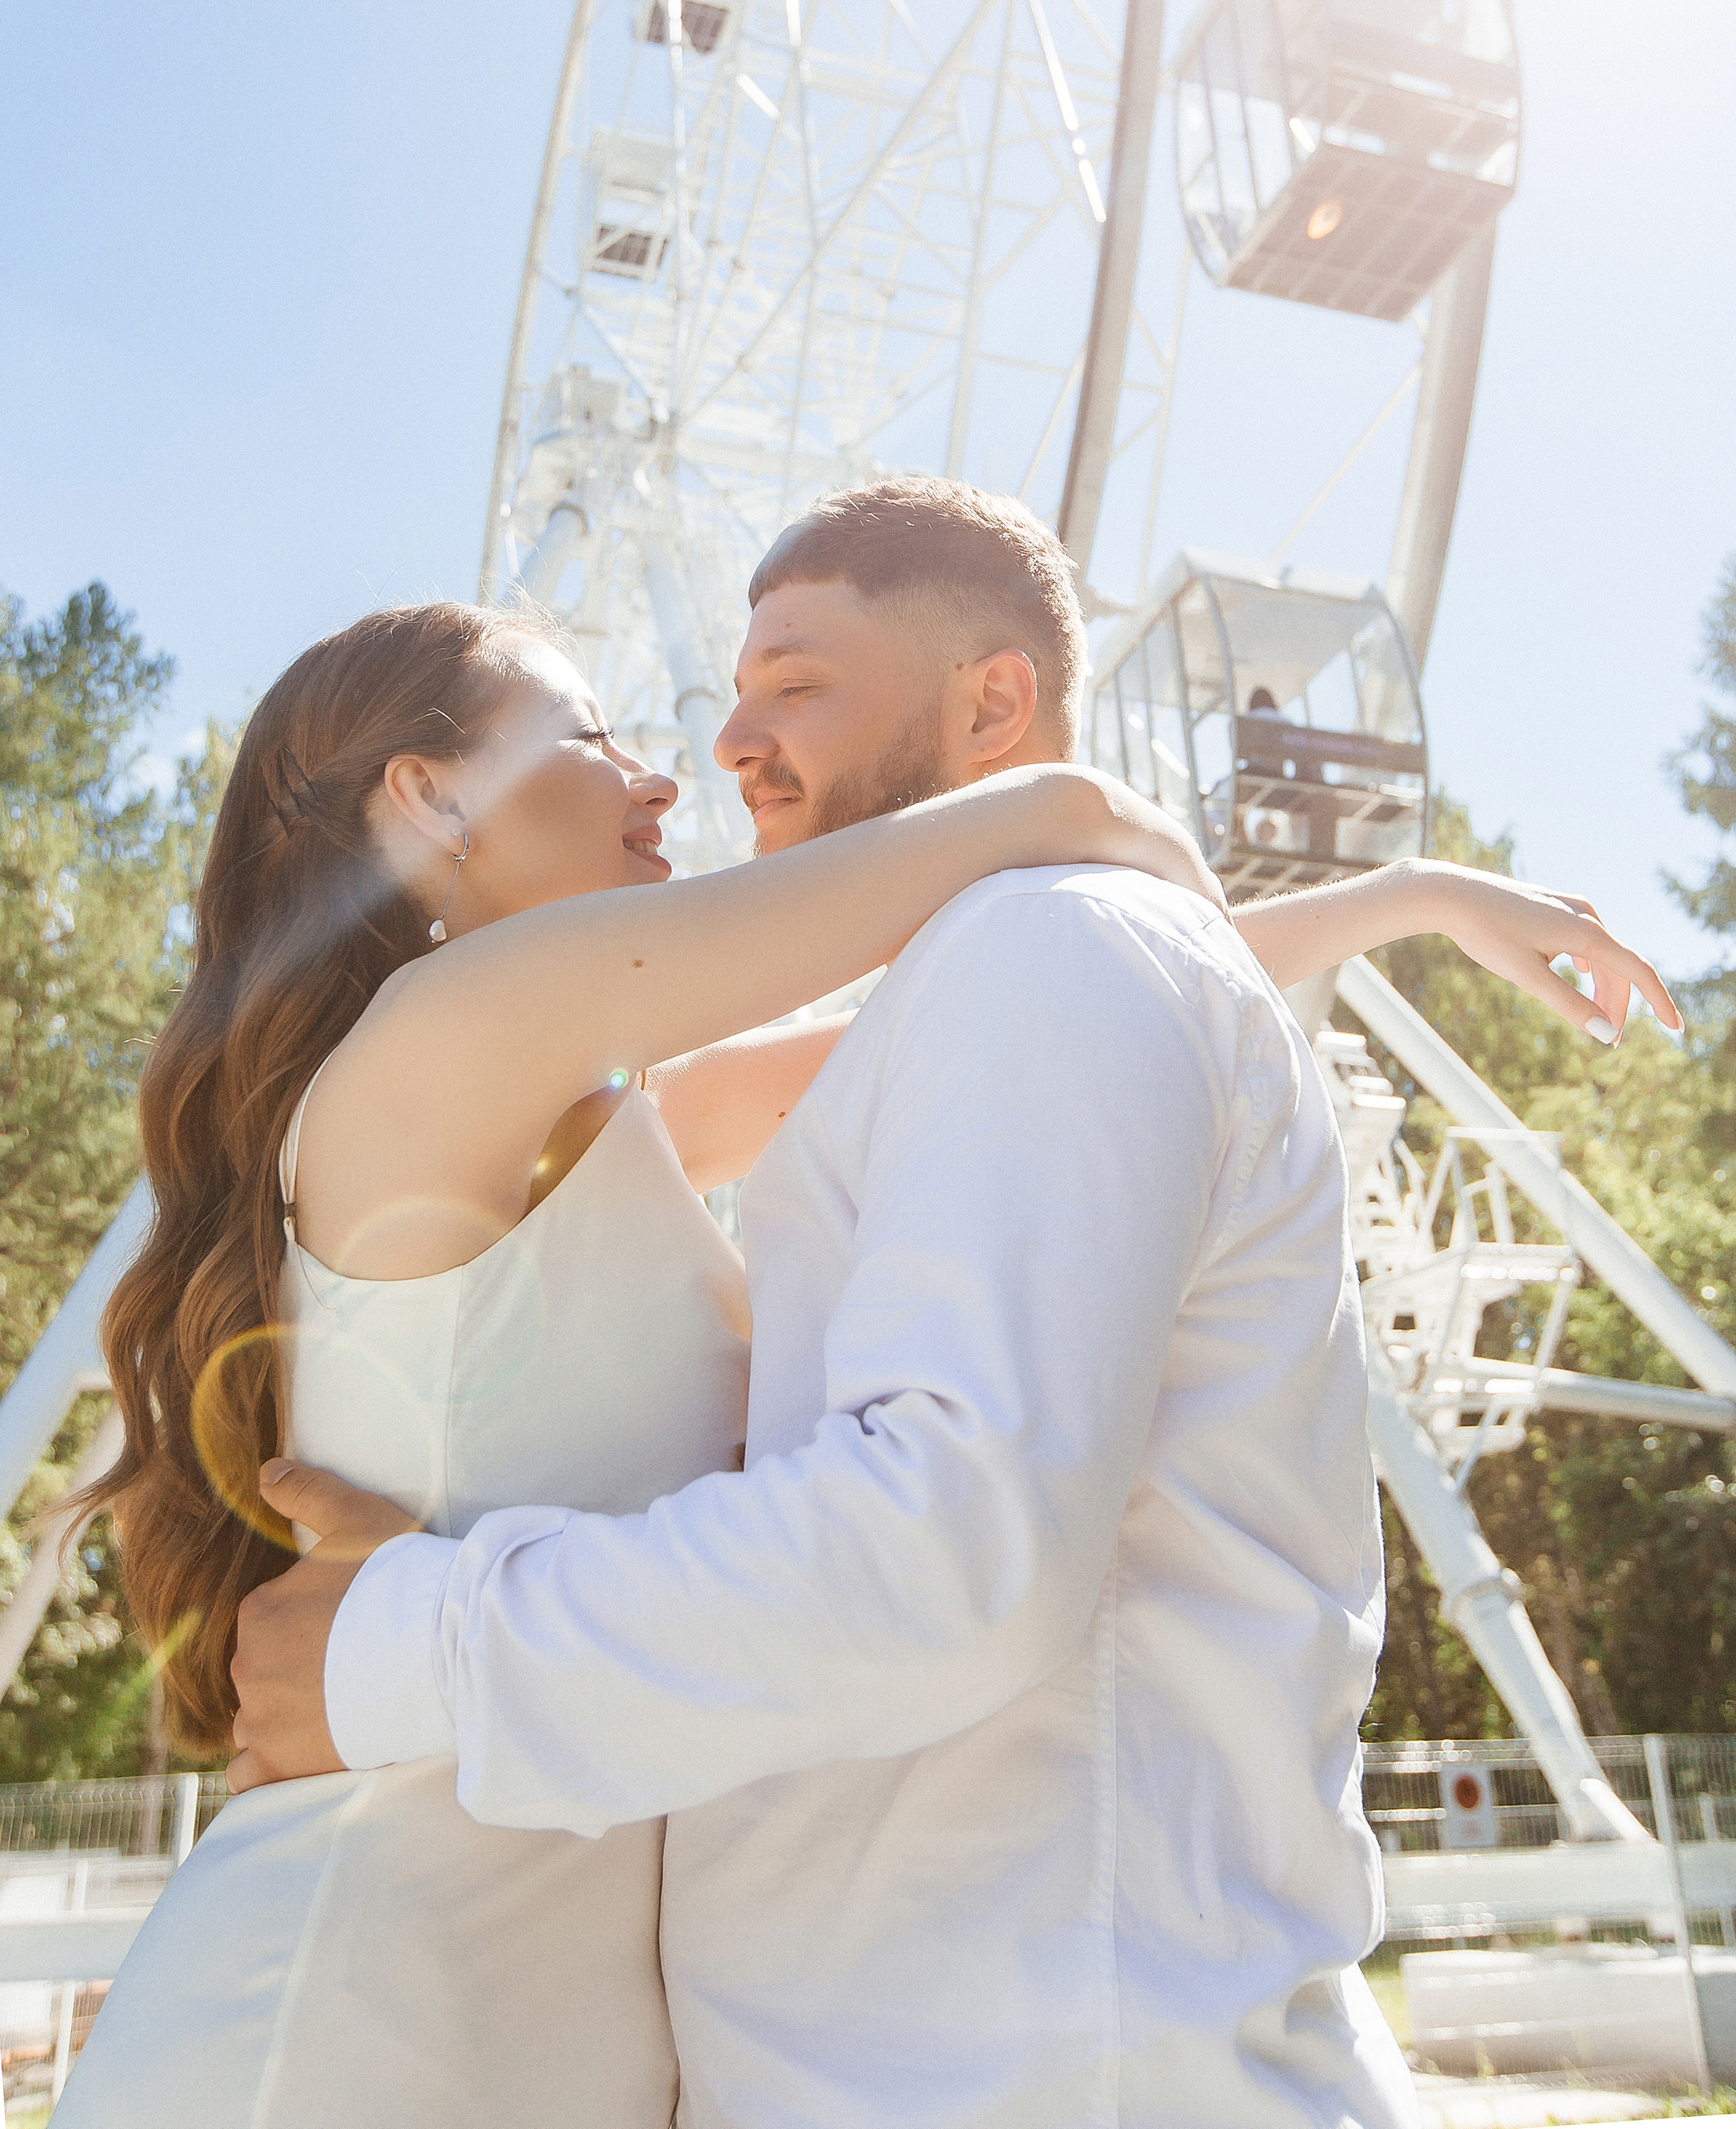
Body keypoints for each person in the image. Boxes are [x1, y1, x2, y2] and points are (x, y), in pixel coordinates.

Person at [211, 481, 1678, 2129]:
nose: (686, 760)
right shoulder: (449, 1034)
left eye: (795, 685)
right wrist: (1078, 807)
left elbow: (1068, 985)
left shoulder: (623, 1112)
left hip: (561, 1911)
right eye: (596, 732)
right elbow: (1047, 912)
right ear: (429, 801)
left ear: (982, 690)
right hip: (420, 1929)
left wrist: (1401, 896)